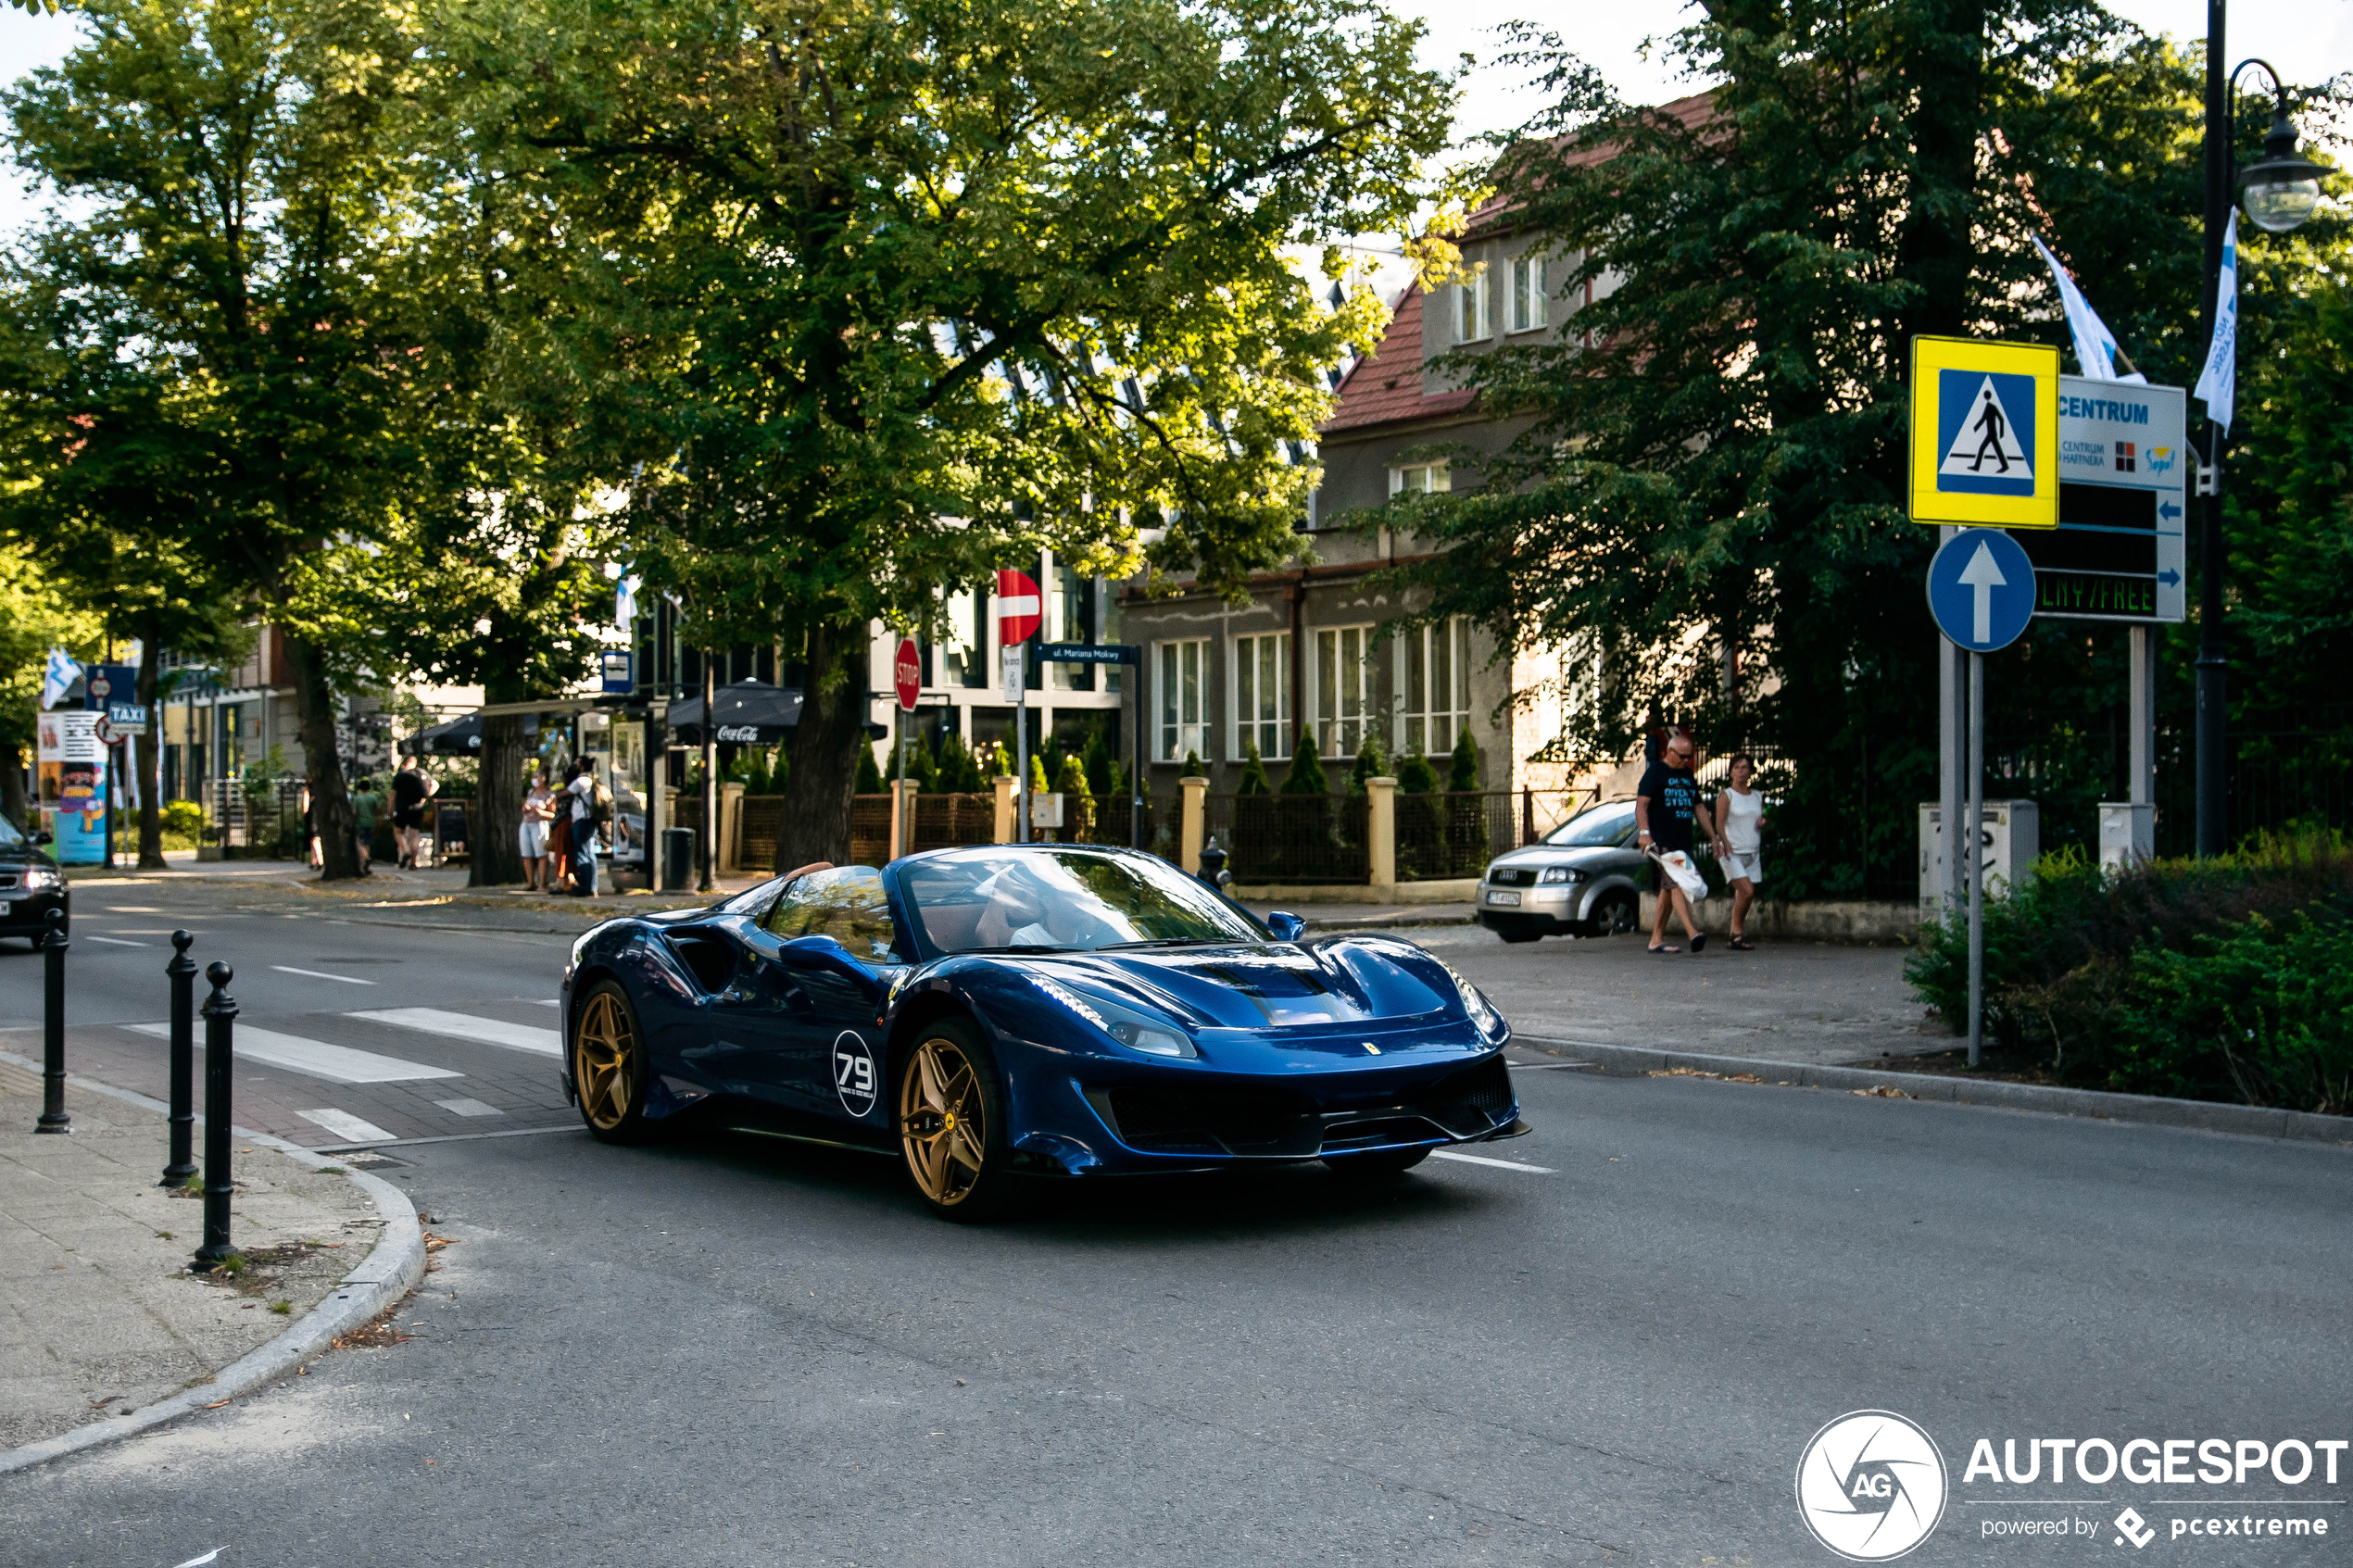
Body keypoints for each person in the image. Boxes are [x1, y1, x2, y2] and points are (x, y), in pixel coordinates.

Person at [1636, 729, 1708, 954]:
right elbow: (1642, 805)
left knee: (1667, 889)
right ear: (1669, 751)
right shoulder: (1655, 772)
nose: (1686, 761)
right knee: (1676, 881)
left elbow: (1698, 807)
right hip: (1662, 841)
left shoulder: (1687, 775)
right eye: (1682, 756)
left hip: (1683, 840)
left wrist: (1713, 837)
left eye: (1689, 757)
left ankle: (1656, 940)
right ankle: (1692, 932)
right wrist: (1644, 832)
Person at [1712, 753, 1768, 951]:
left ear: (1751, 771)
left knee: (1742, 895)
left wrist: (1762, 823)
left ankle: (1736, 934)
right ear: (1730, 771)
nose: (1741, 771)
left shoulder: (1757, 795)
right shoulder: (1727, 795)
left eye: (1745, 767)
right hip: (1732, 851)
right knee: (1748, 891)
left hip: (1752, 851)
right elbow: (1719, 823)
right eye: (1737, 767)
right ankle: (1736, 932)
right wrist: (1724, 843)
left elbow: (1761, 817)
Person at [390, 757, 434, 869]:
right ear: (414, 763)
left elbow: (392, 794)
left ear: (404, 764)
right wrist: (426, 796)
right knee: (414, 836)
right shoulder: (420, 773)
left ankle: (405, 851)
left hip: (402, 808)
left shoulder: (400, 775)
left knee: (398, 832)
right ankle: (413, 863)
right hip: (417, 808)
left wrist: (390, 809)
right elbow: (435, 784)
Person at [564, 761, 600, 897]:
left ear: (583, 767)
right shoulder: (592, 780)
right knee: (590, 854)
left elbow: (564, 793)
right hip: (590, 821)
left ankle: (585, 886)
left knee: (582, 853)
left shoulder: (581, 781)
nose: (574, 765)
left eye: (577, 763)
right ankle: (592, 886)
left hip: (582, 821)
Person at [519, 771, 554, 892]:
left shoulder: (550, 794)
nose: (534, 780)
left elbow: (553, 814)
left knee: (541, 854)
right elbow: (525, 806)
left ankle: (542, 884)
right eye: (533, 777)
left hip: (539, 824)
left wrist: (541, 812)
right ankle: (530, 883)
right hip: (526, 823)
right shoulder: (531, 792)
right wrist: (526, 809)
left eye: (536, 777)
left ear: (543, 778)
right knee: (526, 854)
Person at [350, 776, 382, 872]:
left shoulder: (357, 798)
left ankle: (366, 858)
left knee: (360, 842)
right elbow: (377, 809)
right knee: (368, 843)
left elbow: (354, 812)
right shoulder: (373, 797)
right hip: (371, 822)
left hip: (361, 822)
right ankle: (365, 865)